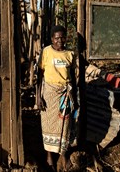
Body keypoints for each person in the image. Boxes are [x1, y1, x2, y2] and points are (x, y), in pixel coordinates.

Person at [35, 25, 79, 172]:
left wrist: (75, 96)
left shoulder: (70, 54)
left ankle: (63, 154)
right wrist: (38, 97)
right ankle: (49, 156)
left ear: (66, 38)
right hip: (49, 94)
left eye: (62, 37)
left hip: (65, 94)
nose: (60, 40)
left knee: (65, 124)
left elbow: (72, 76)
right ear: (52, 39)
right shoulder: (46, 52)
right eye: (56, 38)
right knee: (48, 125)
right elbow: (39, 75)